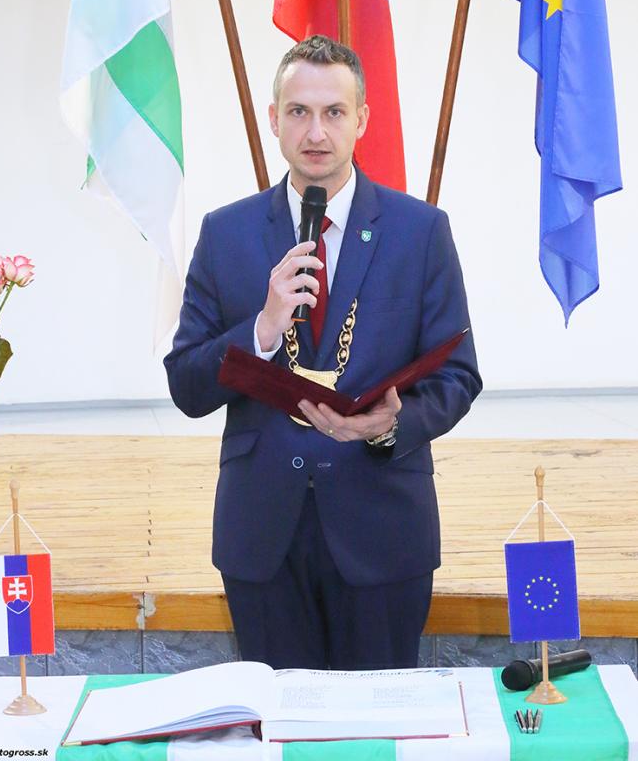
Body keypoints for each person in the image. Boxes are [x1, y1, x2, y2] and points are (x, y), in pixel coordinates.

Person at [164, 35, 481, 670]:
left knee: (376, 719)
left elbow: (458, 376)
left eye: (334, 112)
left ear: (361, 119)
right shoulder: (225, 234)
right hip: (263, 538)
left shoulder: (420, 231)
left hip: (383, 529)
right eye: (299, 112)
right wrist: (262, 326)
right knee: (280, 719)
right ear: (273, 119)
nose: (316, 132)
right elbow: (187, 386)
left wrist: (390, 424)